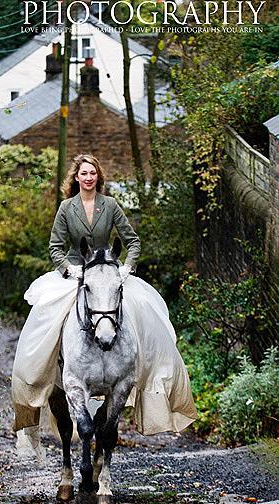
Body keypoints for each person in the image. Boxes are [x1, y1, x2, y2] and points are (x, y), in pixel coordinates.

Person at [11, 154, 197, 436]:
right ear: (76, 177)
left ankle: (149, 375)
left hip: (109, 273)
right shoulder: (66, 208)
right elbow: (55, 248)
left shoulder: (110, 205)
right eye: (83, 173)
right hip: (75, 274)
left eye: (93, 173)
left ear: (98, 176)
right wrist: (68, 269)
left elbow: (132, 241)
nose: (88, 177)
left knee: (146, 313)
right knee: (43, 319)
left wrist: (126, 268)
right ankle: (41, 376)